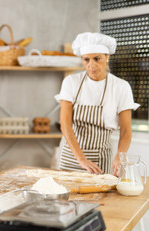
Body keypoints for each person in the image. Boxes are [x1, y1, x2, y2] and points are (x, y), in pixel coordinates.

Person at [55, 32, 139, 176]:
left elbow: (125, 131)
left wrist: (120, 156)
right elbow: (65, 125)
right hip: (71, 157)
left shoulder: (121, 87)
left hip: (101, 160)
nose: (91, 65)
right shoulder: (71, 82)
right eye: (86, 59)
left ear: (107, 57)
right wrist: (81, 159)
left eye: (97, 59)